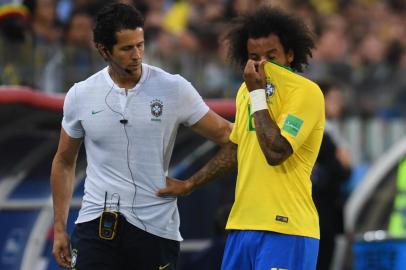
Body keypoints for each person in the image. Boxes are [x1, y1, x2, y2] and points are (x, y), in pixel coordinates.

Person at [50, 3, 232, 270]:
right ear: (103, 50)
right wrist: (59, 229)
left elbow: (230, 137)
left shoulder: (174, 88)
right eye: (126, 48)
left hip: (154, 229)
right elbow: (64, 161)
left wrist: (191, 184)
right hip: (95, 225)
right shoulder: (80, 94)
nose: (137, 55)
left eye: (140, 45)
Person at [158, 6, 325, 270]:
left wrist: (258, 94)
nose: (262, 65)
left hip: (286, 227)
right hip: (241, 226)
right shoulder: (246, 92)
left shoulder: (306, 93)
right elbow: (237, 147)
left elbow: (276, 152)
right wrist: (190, 184)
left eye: (272, 56)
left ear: (290, 54)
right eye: (254, 57)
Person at [312, 81, 351, 270]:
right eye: (333, 99)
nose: (339, 104)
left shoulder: (331, 131)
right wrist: (343, 163)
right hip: (319, 212)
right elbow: (339, 171)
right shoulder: (320, 132)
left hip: (326, 210)